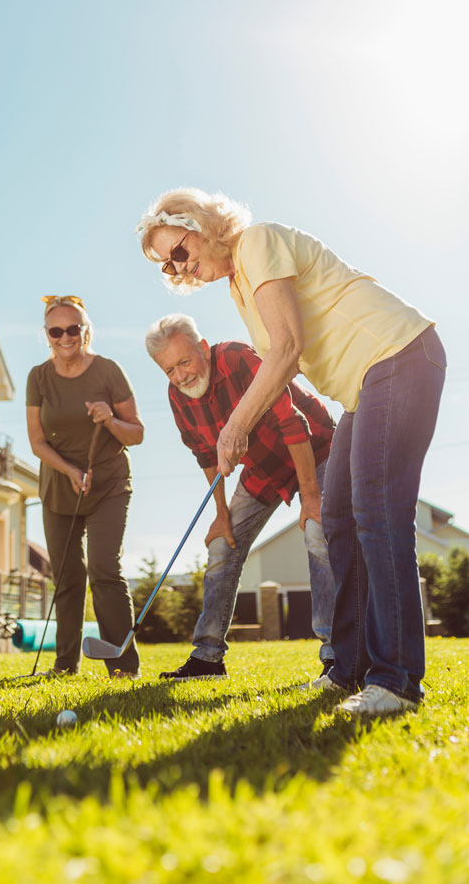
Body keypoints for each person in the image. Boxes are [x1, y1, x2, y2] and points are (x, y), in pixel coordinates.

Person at [137, 189, 446, 714]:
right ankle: (347, 671)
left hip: (398, 356)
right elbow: (282, 365)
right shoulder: (240, 284)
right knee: (340, 521)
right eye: (169, 265)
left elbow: (285, 350)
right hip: (360, 390)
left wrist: (235, 425)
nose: (179, 269)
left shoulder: (256, 243)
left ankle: (396, 681)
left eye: (180, 252)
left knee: (378, 515)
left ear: (203, 225)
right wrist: (239, 428)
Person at [145, 313, 336, 680]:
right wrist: (220, 513)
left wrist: (311, 496)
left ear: (202, 347)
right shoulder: (178, 396)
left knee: (317, 531)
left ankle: (335, 655)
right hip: (263, 467)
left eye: (184, 362)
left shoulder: (237, 358)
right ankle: (207, 658)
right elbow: (205, 456)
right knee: (221, 546)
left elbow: (293, 423)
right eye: (170, 370)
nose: (181, 376)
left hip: (315, 449)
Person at [26, 295, 144, 678]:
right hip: (60, 488)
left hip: (108, 482)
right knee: (67, 577)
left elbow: (137, 433)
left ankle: (123, 665)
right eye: (56, 330)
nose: (65, 337)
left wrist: (109, 420)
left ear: (85, 331)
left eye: (73, 328)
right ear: (47, 335)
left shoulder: (108, 371)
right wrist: (69, 470)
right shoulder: (38, 378)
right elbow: (37, 442)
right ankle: (65, 665)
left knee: (104, 568)